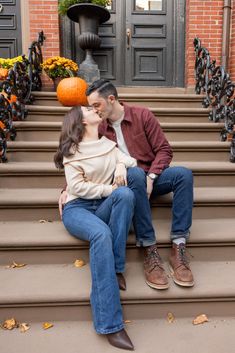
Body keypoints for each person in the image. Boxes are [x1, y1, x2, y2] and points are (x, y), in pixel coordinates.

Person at [59, 79, 194, 289]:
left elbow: (164, 150)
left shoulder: (143, 115)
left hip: (150, 179)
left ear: (111, 99)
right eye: (91, 107)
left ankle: (179, 247)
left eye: (97, 105)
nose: (94, 110)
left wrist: (152, 177)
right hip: (127, 183)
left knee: (184, 174)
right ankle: (149, 248)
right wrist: (67, 188)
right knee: (135, 174)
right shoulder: (98, 127)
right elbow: (85, 158)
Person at [54, 106, 136, 350]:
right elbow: (77, 188)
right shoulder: (72, 151)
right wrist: (108, 189)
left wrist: (121, 167)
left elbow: (130, 161)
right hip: (77, 209)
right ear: (81, 121)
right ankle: (110, 324)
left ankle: (117, 267)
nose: (94, 109)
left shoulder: (108, 144)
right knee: (101, 233)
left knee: (126, 194)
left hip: (102, 205)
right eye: (88, 109)